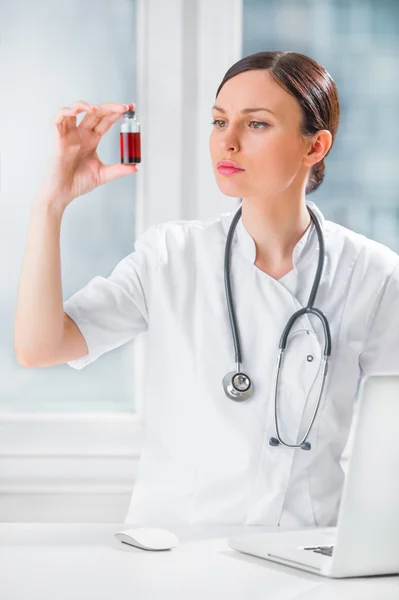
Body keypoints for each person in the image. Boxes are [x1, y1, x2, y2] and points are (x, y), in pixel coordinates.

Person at [14, 51, 399, 529]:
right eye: (219, 122)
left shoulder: (372, 274)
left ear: (314, 147)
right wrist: (49, 205)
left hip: (304, 556)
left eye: (256, 125)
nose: (228, 143)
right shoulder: (171, 257)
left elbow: (392, 437)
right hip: (174, 553)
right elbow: (39, 346)